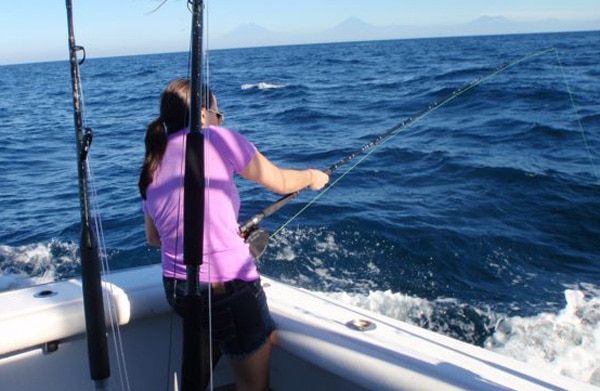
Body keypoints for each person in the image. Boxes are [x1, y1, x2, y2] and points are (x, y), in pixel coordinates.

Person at [139, 78, 329, 391]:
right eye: (218, 114)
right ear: (203, 115)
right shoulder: (218, 139)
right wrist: (311, 176)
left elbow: (154, 238)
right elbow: (280, 181)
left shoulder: (152, 163)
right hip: (228, 290)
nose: (220, 120)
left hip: (178, 289)